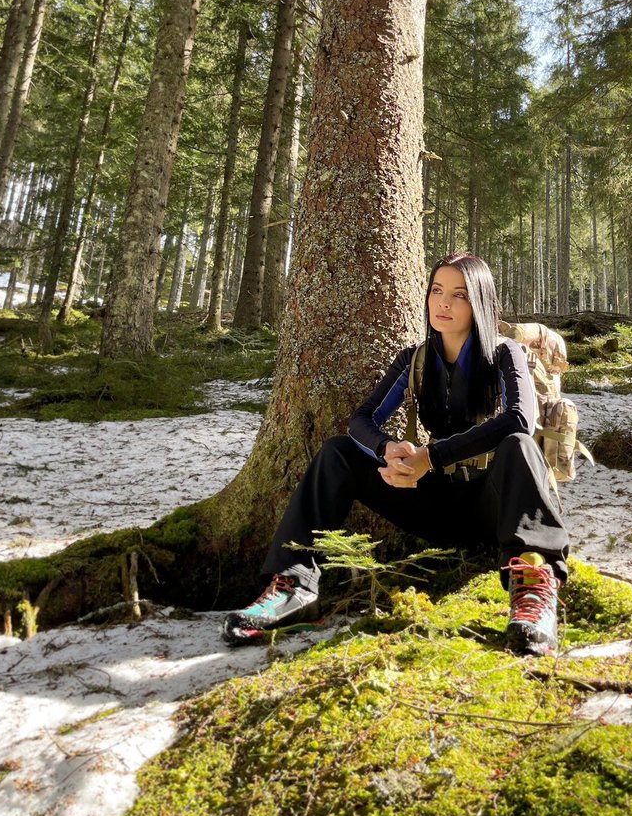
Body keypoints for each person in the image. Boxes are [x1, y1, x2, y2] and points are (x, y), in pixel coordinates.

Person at [221, 251, 570, 655]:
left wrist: (430, 456)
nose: (444, 303)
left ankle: (532, 590)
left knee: (519, 446)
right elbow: (361, 420)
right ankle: (293, 587)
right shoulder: (416, 359)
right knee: (337, 453)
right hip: (435, 505)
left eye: (459, 295)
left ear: (480, 302)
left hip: (493, 508)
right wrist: (388, 451)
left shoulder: (504, 354)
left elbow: (519, 420)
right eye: (437, 291)